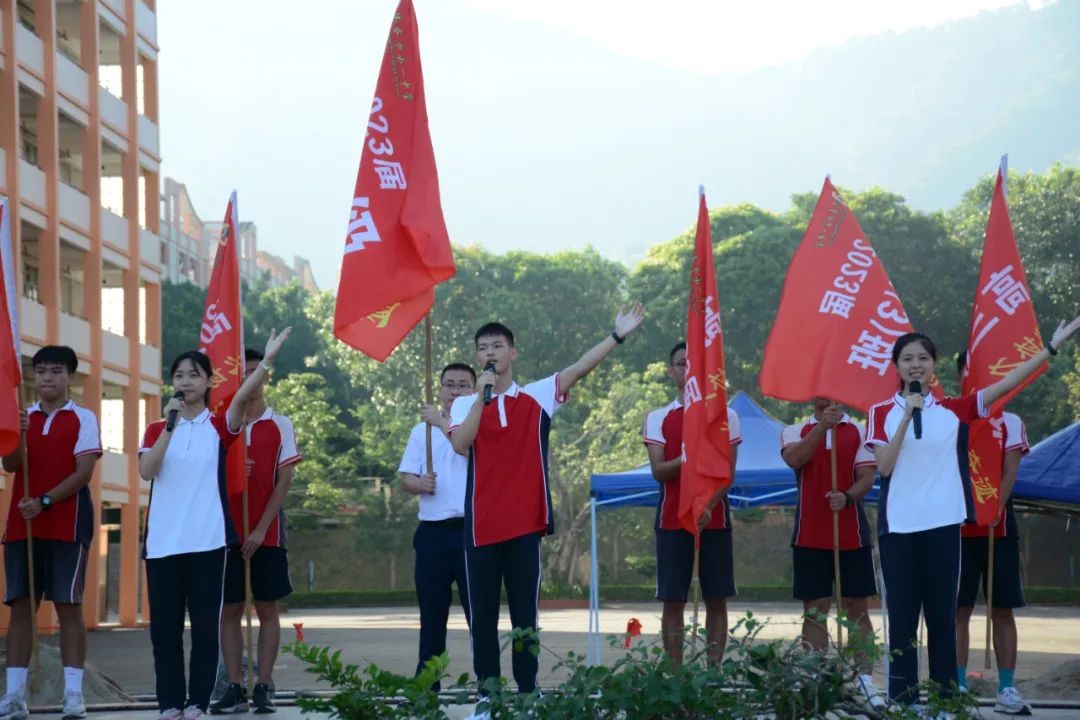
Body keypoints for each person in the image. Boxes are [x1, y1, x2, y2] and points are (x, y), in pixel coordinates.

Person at [866, 318, 1079, 710]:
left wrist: (1049, 349)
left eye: (923, 358)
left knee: (942, 618)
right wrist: (907, 416)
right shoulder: (881, 412)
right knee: (903, 619)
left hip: (943, 526)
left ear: (934, 365)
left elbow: (1006, 384)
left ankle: (945, 703)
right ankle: (903, 700)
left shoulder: (954, 411)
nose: (916, 365)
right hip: (899, 528)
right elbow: (884, 465)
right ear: (896, 367)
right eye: (908, 359)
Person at [449, 304, 644, 714]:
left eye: (497, 346)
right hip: (481, 527)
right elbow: (461, 444)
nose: (490, 353)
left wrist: (616, 335)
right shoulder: (465, 405)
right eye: (482, 348)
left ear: (512, 352)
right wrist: (480, 397)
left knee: (525, 618)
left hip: (525, 525)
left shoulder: (537, 396)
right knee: (482, 619)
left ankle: (527, 693)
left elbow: (580, 367)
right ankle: (487, 695)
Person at [139, 329, 292, 720]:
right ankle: (170, 703)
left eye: (194, 375)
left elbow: (242, 397)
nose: (186, 382)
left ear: (208, 382)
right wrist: (170, 426)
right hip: (163, 545)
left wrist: (268, 360)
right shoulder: (157, 429)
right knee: (165, 632)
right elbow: (147, 470)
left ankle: (197, 703)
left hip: (207, 544)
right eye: (179, 375)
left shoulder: (220, 427)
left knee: (206, 629)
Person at [0, 346, 101, 720]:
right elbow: (10, 464)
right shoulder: (23, 417)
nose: (47, 378)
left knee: (68, 606)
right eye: (41, 371)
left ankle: (73, 695)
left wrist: (44, 501)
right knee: (21, 607)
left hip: (66, 525)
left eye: (56, 371)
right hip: (22, 526)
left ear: (69, 377)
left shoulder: (83, 418)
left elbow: (83, 473)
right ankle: (14, 696)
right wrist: (19, 434)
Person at [211, 348, 302, 715]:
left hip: (267, 531)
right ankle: (234, 686)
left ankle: (264, 684)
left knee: (267, 607)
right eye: (242, 373)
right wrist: (232, 470)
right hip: (224, 531)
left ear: (266, 375)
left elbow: (285, 479)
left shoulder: (280, 424)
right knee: (230, 609)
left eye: (255, 371)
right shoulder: (220, 424)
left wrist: (261, 528)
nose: (249, 378)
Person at [780, 396, 884, 709]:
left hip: (851, 534)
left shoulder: (860, 431)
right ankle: (814, 677)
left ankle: (865, 680)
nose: (823, 393)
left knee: (857, 608)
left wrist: (848, 497)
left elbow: (867, 478)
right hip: (809, 534)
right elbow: (795, 460)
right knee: (816, 608)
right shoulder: (794, 430)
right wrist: (822, 427)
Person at [642, 341, 741, 665]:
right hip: (673, 520)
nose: (688, 369)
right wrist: (690, 457)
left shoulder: (726, 416)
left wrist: (708, 505)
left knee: (716, 599)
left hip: (713, 519)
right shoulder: (658, 418)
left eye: (694, 362)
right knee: (673, 600)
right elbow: (659, 470)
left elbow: (727, 473)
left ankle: (713, 673)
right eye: (682, 363)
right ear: (672, 371)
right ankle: (675, 676)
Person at [953, 354, 1031, 716]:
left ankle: (1007, 688)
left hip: (998, 527)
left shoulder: (1009, 421)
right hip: (957, 527)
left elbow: (1010, 469)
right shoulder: (951, 418)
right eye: (969, 372)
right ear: (960, 377)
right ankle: (956, 685)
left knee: (1002, 608)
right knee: (958, 609)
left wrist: (995, 506)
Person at [398, 362, 476, 689]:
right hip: (432, 534)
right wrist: (420, 484)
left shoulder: (480, 427)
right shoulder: (422, 432)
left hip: (472, 533)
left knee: (479, 615)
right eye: (449, 384)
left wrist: (442, 422)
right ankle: (427, 688)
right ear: (440, 389)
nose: (455, 391)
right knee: (432, 616)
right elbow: (405, 478)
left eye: (463, 385)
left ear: (475, 390)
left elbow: (466, 447)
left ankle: (487, 685)